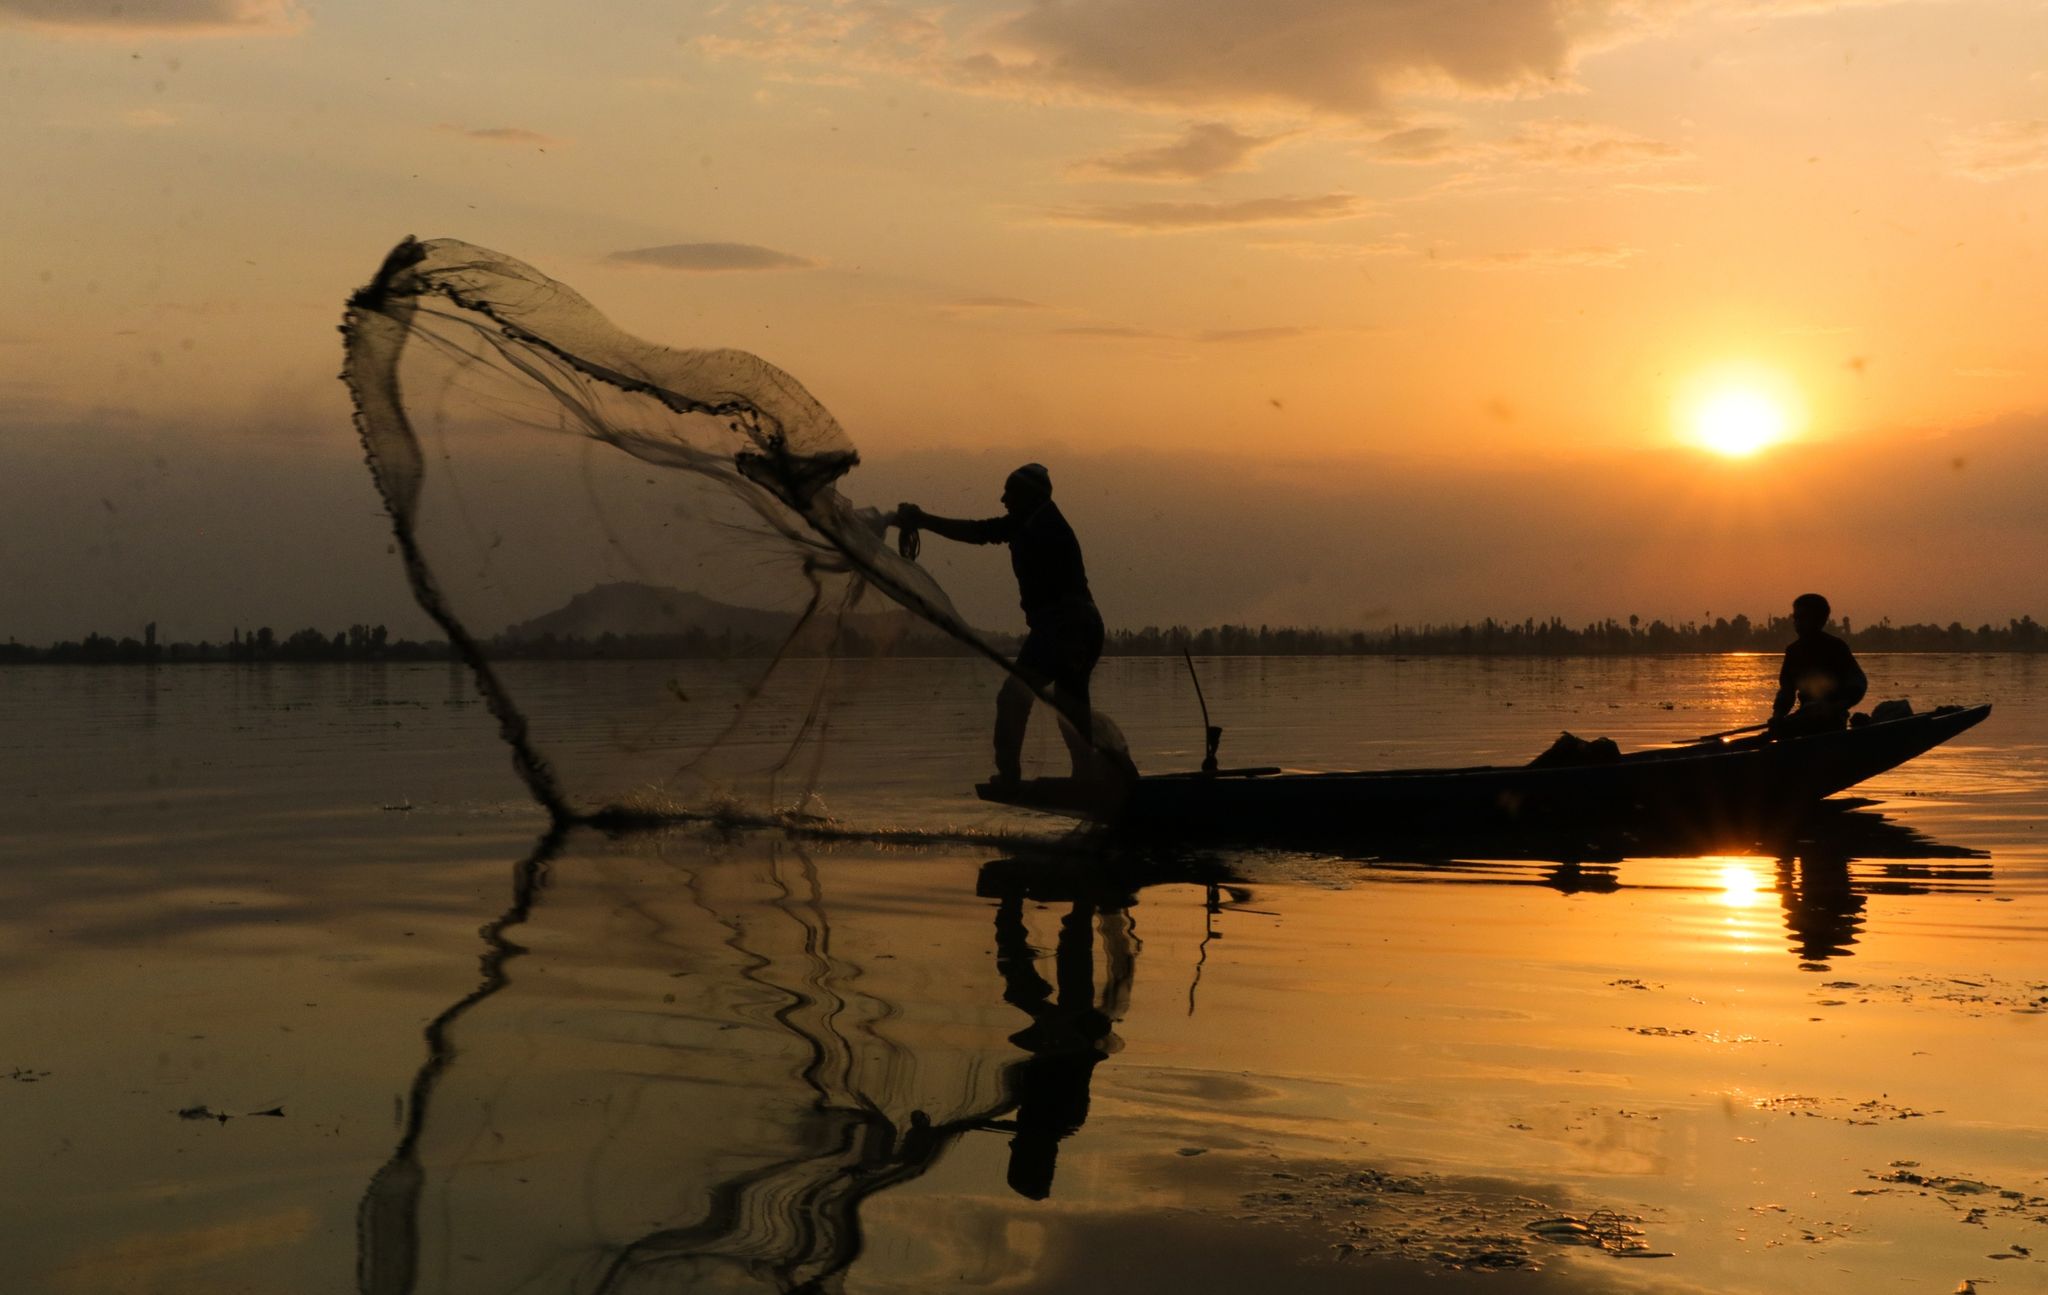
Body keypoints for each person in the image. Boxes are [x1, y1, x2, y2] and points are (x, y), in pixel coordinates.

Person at [897, 464, 1104, 786]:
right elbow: (986, 531)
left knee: (1014, 697)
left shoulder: (1041, 523)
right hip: (1080, 625)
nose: (1003, 498)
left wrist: (922, 520)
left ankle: (1011, 775)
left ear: (1030, 496)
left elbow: (981, 532)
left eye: (1010, 492)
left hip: (1065, 626)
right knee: (1070, 706)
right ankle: (1087, 777)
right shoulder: (1036, 520)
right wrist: (922, 521)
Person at [1770, 593, 1867, 737]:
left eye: (1802, 618)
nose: (1797, 622)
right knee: (1778, 731)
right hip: (1805, 717)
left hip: (1832, 720)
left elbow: (1858, 684)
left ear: (1819, 620)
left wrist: (1835, 707)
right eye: (1796, 618)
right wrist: (1777, 716)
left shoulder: (1836, 647)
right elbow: (1787, 692)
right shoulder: (1793, 651)